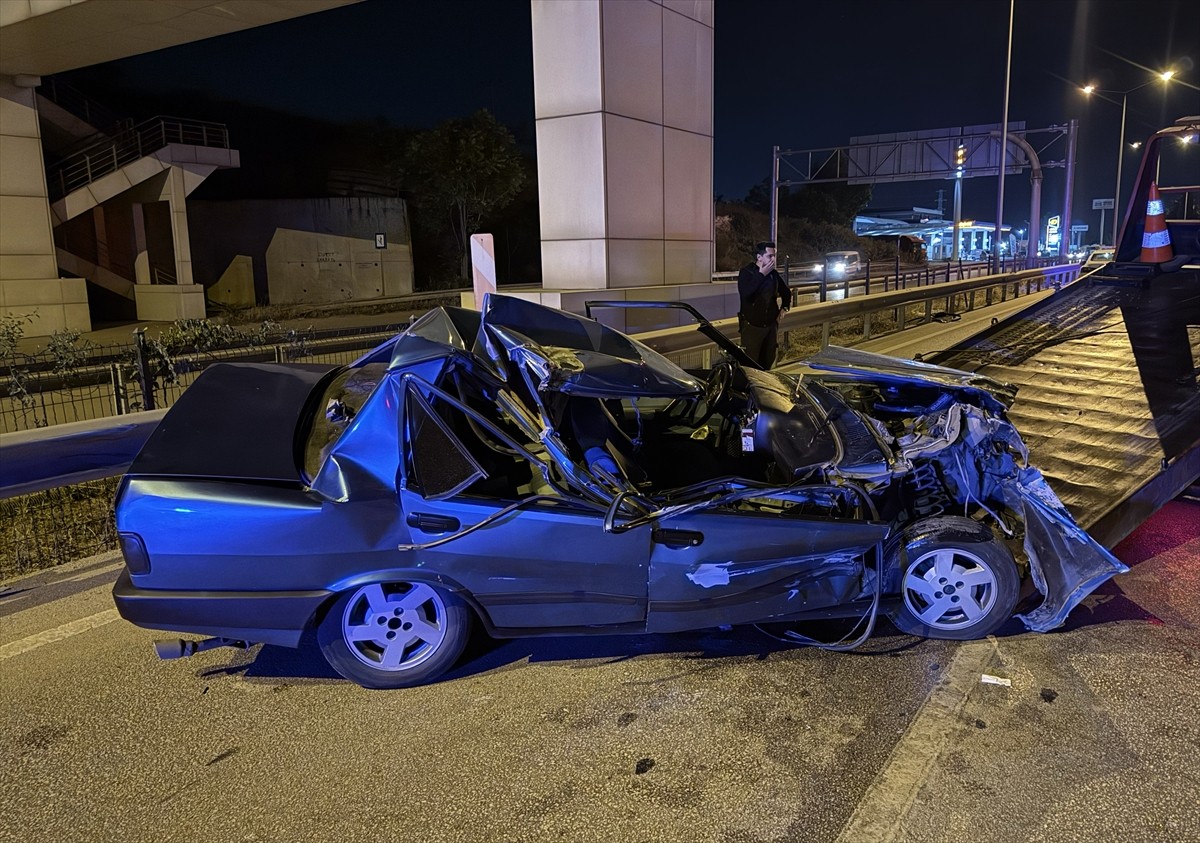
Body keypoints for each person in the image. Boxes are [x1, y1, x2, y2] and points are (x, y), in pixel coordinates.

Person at [737, 241, 790, 368]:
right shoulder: (746, 273)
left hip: (770, 327)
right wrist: (761, 275)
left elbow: (786, 292)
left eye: (774, 256)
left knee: (768, 361)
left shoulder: (773, 274)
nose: (773, 259)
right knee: (750, 365)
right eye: (770, 256)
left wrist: (784, 307)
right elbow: (745, 293)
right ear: (759, 257)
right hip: (752, 327)